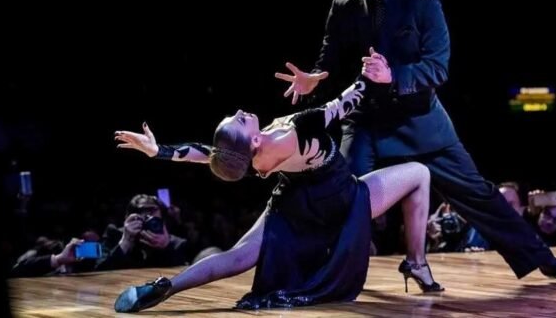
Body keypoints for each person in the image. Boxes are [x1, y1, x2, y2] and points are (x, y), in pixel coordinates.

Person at [275, 0, 556, 284]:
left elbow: (438, 67)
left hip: (420, 124)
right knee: (342, 195)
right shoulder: (342, 7)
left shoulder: (423, 3)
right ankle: (312, 273)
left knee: (479, 195)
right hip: (366, 123)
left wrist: (393, 76)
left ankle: (546, 261)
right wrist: (315, 78)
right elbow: (329, 61)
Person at [111, 58, 441, 313]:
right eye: (240, 120)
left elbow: (208, 154)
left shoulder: (251, 159)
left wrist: (159, 151)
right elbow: (343, 104)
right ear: (253, 139)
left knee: (239, 256)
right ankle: (416, 263)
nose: (240, 111)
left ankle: (166, 286)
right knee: (419, 173)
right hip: (340, 197)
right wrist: (371, 76)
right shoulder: (294, 130)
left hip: (294, 204)